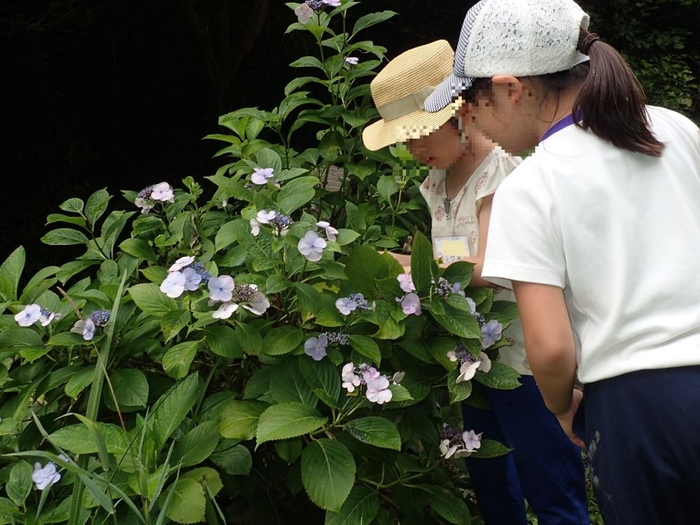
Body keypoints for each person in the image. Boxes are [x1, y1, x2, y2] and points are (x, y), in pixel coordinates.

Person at [429, 0, 700, 523]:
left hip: (639, 410)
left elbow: (550, 349)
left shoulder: (532, 183)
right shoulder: (677, 130)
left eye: (474, 101)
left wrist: (561, 407)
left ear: (511, 89)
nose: (475, 120)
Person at [363, 39, 589, 525]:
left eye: (420, 134)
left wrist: (416, 266)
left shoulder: (501, 177)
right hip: (475, 360)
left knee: (549, 483)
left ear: (462, 115)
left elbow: (490, 264)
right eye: (405, 139)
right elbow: (452, 255)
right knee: (489, 477)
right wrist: (396, 261)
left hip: (527, 362)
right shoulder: (436, 183)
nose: (413, 148)